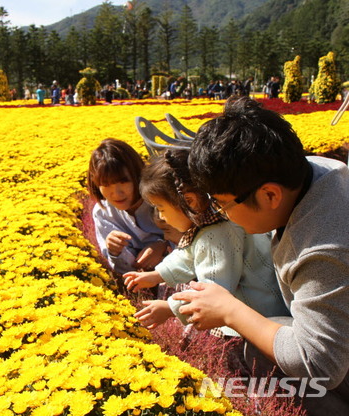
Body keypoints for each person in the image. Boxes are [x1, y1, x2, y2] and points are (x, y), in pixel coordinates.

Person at [174, 96, 349, 415]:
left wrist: (230, 311)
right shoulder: (320, 170)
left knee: (260, 349)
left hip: (333, 361)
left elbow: (319, 363)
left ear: (270, 194)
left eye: (224, 204)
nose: (222, 215)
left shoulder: (320, 249)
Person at [123, 149, 288, 336]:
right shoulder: (213, 220)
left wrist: (170, 308)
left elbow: (212, 291)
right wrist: (157, 275)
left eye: (161, 208)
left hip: (259, 316)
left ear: (189, 201)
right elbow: (187, 254)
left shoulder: (215, 235)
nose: (161, 216)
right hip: (256, 307)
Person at [86, 138, 168, 276]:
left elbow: (193, 240)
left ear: (137, 174)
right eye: (105, 184)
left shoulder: (159, 198)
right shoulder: (103, 213)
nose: (116, 193)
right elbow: (125, 270)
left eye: (123, 181)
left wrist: (164, 246)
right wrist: (114, 252)